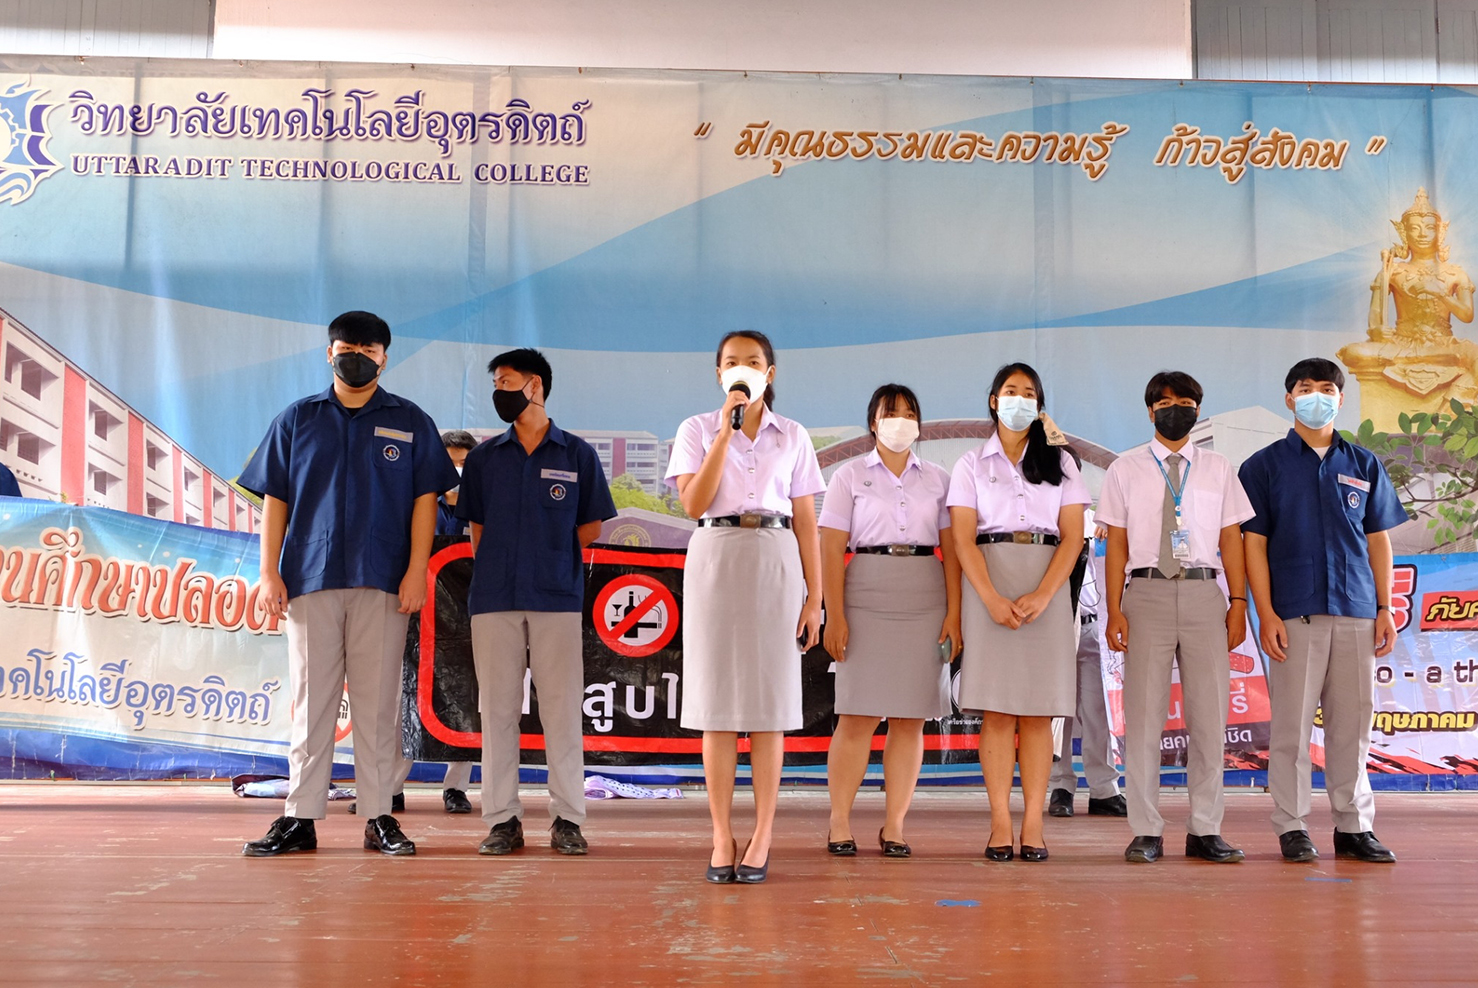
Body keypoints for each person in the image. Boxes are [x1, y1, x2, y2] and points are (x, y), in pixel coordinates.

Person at [239, 310, 459, 857]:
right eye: (346, 345)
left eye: (369, 347)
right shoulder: (298, 418)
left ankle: (379, 813)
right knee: (312, 702)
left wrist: (415, 571)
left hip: (384, 580)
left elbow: (424, 503)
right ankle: (299, 816)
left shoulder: (410, 422)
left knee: (377, 703)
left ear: (386, 356)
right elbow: (276, 501)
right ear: (328, 352)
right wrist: (268, 572)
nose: (356, 354)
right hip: (309, 579)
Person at [665, 330, 825, 884]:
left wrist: (815, 597)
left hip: (776, 555)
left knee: (768, 705)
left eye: (753, 362)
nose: (743, 369)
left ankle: (762, 833)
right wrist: (723, 436)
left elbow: (807, 519)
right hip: (716, 554)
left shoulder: (794, 435)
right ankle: (719, 832)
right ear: (718, 374)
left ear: (770, 373)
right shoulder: (695, 429)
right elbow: (692, 502)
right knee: (716, 704)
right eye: (732, 362)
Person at [1239, 358, 1407, 863]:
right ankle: (1291, 826)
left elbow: (1378, 541)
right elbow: (1253, 546)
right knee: (1290, 727)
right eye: (1306, 389)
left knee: (1352, 724)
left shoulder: (1363, 464)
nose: (1318, 396)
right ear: (1289, 399)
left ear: (1340, 398)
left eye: (1328, 388)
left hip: (1357, 611)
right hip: (1294, 614)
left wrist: (1384, 606)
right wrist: (1264, 613)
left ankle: (1353, 827)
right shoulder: (1263, 466)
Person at [457, 349, 616, 856]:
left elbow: (591, 525)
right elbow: (476, 527)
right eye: (495, 383)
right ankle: (502, 819)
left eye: (507, 381)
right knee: (497, 711)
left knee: (562, 711)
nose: (499, 391)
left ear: (536, 387)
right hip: (495, 598)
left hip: (556, 598)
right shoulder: (484, 458)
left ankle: (568, 818)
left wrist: (550, 556)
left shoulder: (576, 454)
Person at [1100, 371, 1254, 864]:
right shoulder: (1124, 469)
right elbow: (1116, 544)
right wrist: (1114, 609)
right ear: (1150, 411)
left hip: (1206, 594)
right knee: (1144, 717)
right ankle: (1146, 830)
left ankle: (1205, 829)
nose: (1175, 409)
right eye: (1165, 402)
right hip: (1144, 593)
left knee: (1209, 718)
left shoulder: (1218, 468)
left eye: (1186, 402)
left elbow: (1233, 539)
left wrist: (1238, 603)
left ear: (1197, 408)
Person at [947, 363, 1089, 862]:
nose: (1019, 400)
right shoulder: (970, 464)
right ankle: (999, 822)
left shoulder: (1063, 463)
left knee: (1036, 712)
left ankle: (1033, 822)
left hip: (1046, 583)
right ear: (993, 400)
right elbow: (962, 539)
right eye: (1010, 391)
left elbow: (1073, 536)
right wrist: (988, 597)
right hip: (990, 579)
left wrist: (1047, 595)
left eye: (1029, 393)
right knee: (998, 711)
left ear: (1040, 405)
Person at [820, 384, 962, 858]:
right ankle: (839, 821)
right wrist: (833, 614)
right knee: (856, 715)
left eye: (909, 413)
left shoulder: (941, 478)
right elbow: (829, 547)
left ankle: (894, 825)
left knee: (910, 718)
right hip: (865, 589)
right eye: (890, 413)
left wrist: (954, 614)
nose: (900, 421)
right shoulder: (848, 476)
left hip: (926, 592)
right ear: (873, 422)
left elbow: (955, 551)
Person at [351, 429, 482, 817]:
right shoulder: (416, 504)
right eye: (451, 461)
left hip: (465, 617)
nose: (457, 468)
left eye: (464, 461)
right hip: (415, 612)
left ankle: (457, 787)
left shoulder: (482, 507)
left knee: (466, 700)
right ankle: (391, 788)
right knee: (401, 698)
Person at [1048, 514, 1127, 818]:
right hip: (1057, 624)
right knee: (1058, 710)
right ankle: (1060, 786)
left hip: (1095, 625)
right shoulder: (1047, 516)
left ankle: (1104, 789)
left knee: (1097, 709)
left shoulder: (1099, 520)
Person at [437, 429, 479, 536]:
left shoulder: (481, 507)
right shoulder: (427, 505)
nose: (457, 469)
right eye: (450, 463)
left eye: (463, 463)